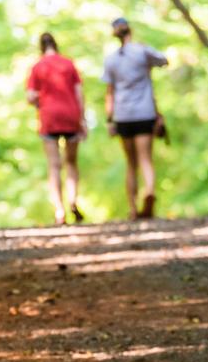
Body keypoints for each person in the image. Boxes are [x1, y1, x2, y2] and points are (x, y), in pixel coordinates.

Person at [101, 17, 168, 220]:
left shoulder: (111, 59)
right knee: (146, 159)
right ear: (130, 30)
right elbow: (164, 60)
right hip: (144, 113)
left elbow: (109, 93)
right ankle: (149, 191)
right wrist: (145, 52)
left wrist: (109, 120)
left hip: (123, 116)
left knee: (131, 164)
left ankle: (132, 208)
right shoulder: (142, 52)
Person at [27, 32, 87, 226]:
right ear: (55, 44)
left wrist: (39, 99)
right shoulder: (69, 64)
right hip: (71, 116)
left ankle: (59, 211)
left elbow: (30, 96)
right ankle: (73, 201)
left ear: (41, 47)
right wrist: (83, 120)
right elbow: (79, 94)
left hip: (49, 118)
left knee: (54, 165)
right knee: (71, 163)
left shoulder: (37, 67)